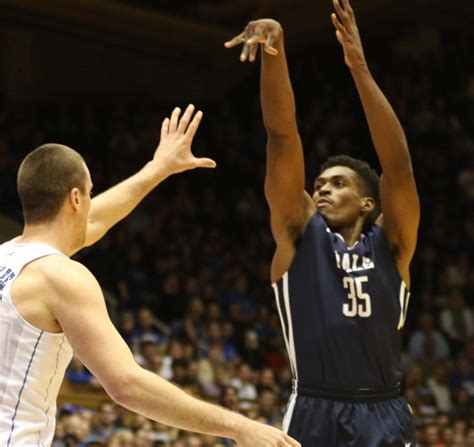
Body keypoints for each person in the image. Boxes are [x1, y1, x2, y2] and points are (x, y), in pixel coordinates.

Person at [0, 105, 300, 447]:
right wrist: (240, 427)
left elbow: (91, 222)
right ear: (75, 198)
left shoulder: (7, 258)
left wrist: (158, 168)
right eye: (91, 192)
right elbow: (126, 385)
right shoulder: (61, 276)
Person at [225, 0, 420, 445]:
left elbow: (400, 166)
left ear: (368, 202)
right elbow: (281, 135)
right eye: (319, 183)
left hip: (384, 409)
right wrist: (274, 55)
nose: (322, 189)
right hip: (314, 406)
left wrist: (359, 68)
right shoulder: (298, 233)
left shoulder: (392, 243)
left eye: (337, 183)